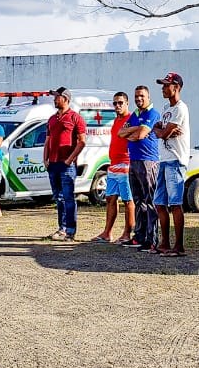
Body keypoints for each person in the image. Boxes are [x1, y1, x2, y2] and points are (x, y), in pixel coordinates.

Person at [152, 72, 190, 256]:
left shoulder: (180, 108)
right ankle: (165, 243)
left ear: (177, 87)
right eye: (163, 85)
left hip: (175, 160)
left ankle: (179, 246)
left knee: (175, 204)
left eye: (167, 85)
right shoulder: (166, 107)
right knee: (159, 203)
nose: (163, 88)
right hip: (164, 160)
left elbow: (163, 133)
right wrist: (161, 130)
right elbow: (159, 129)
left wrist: (163, 131)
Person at [44, 86, 86, 241]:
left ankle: (70, 231)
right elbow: (47, 140)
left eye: (57, 97)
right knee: (58, 198)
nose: (54, 99)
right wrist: (45, 159)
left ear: (66, 99)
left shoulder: (75, 118)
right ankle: (61, 228)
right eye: (54, 97)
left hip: (66, 165)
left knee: (68, 198)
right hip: (53, 164)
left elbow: (82, 141)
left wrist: (70, 159)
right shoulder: (52, 119)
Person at [121, 85, 160, 249]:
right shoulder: (135, 115)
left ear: (148, 97)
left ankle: (152, 240)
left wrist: (134, 132)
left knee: (150, 201)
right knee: (138, 201)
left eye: (142, 96)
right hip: (134, 160)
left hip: (148, 162)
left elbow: (141, 135)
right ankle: (139, 237)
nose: (139, 99)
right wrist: (136, 129)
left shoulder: (153, 113)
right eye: (136, 96)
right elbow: (120, 134)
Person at [92, 92, 134, 243]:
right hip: (114, 164)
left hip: (126, 164)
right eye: (115, 103)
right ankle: (107, 232)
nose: (117, 106)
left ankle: (127, 233)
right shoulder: (116, 120)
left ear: (127, 103)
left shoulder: (131, 119)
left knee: (128, 200)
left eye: (120, 103)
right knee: (110, 198)